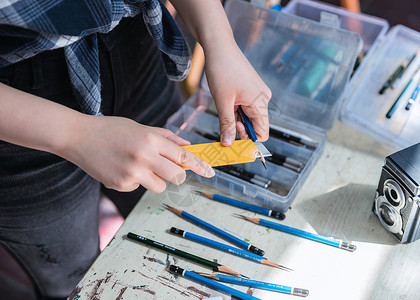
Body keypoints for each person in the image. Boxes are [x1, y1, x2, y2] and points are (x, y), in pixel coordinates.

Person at [0, 0, 271, 299]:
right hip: (20, 112)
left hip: (135, 42)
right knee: (77, 279)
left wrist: (220, 42)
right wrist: (73, 134)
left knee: (176, 213)